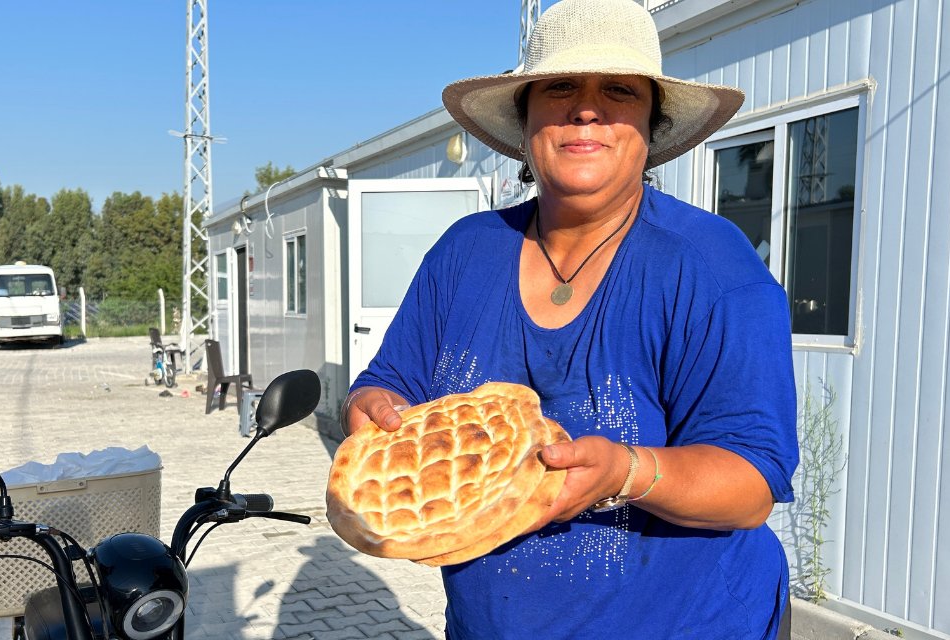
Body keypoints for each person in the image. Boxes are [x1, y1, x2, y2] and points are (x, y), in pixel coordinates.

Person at [341, 0, 799, 638]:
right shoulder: (465, 252)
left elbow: (751, 482)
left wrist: (625, 472)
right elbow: (393, 383)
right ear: (525, 118)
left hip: (683, 621)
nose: (586, 108)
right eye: (560, 86)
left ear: (652, 125)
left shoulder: (711, 269)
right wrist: (372, 406)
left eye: (618, 90)